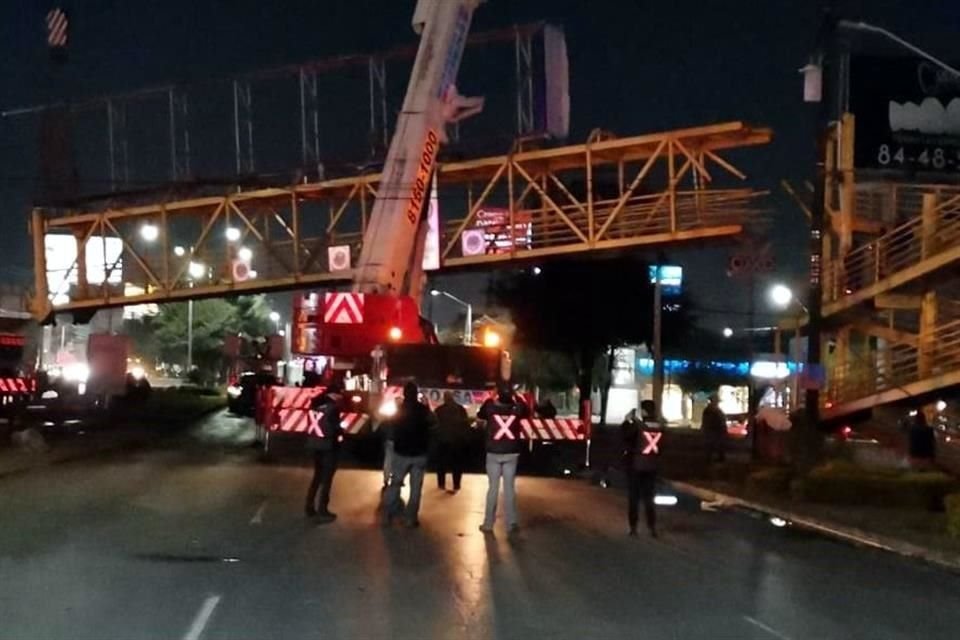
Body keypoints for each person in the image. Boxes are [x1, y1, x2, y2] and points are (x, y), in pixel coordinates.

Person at [384, 382, 434, 527]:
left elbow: (391, 427)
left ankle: (389, 514)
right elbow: (434, 424)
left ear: (405, 394)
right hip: (419, 454)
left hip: (401, 453)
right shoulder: (423, 410)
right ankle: (410, 519)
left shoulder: (398, 410)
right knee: (416, 489)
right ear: (416, 394)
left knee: (395, 484)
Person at [479, 385, 525, 534]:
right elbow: (527, 410)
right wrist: (517, 396)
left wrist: (493, 398)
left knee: (492, 488)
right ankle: (511, 523)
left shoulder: (490, 407)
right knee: (509, 488)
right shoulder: (517, 408)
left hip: (493, 452)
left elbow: (480, 414)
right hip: (512, 452)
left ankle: (488, 524)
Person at [304, 382, 344, 522]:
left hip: (314, 444)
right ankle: (323, 509)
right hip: (328, 446)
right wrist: (340, 436)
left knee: (317, 477)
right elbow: (336, 428)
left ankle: (309, 507)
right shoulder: (333, 408)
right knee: (327, 479)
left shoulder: (314, 405)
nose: (340, 397)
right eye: (339, 394)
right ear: (334, 394)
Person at [622, 400, 662, 537]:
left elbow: (625, 436)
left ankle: (633, 528)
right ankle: (652, 527)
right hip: (652, 465)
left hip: (636, 465)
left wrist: (627, 421)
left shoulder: (638, 426)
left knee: (634, 498)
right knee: (649, 498)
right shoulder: (660, 426)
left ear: (644, 411)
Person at [434, 391, 471, 493]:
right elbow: (466, 425)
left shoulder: (439, 410)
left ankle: (441, 484)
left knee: (441, 464)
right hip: (457, 441)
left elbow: (434, 426)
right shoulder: (460, 409)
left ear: (444, 398)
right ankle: (456, 484)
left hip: (443, 441)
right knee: (457, 464)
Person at [701, 393, 727, 463]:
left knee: (713, 449)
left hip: (714, 433)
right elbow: (715, 422)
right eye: (716, 401)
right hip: (714, 433)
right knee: (713, 449)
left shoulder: (711, 410)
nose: (717, 402)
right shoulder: (711, 410)